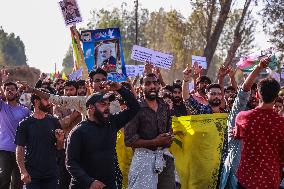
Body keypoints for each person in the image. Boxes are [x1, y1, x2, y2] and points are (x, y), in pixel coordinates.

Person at [65, 81, 140, 189]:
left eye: (108, 104)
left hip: (108, 185)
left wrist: (120, 88)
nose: (107, 107)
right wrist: (89, 182)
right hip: (84, 186)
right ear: (91, 108)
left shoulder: (112, 123)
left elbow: (135, 107)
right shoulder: (78, 131)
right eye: (103, 104)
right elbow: (71, 163)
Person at [219, 58, 270, 189]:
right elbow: (244, 90)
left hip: (255, 177)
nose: (253, 95)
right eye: (251, 92)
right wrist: (258, 68)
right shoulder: (238, 112)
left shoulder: (264, 117)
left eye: (256, 92)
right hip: (234, 175)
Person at [124, 73, 176, 189]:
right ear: (141, 87)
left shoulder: (164, 106)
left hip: (164, 158)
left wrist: (168, 138)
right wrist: (155, 142)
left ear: (158, 86)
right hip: (143, 160)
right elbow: (128, 140)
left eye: (155, 83)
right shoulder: (135, 108)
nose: (152, 86)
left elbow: (169, 130)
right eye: (147, 83)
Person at [234, 77, 284, 189]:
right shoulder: (281, 123)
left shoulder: (242, 117)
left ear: (257, 94)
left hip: (246, 179)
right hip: (271, 180)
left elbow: (237, 135)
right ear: (276, 98)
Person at [15, 91, 65, 189]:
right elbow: (19, 148)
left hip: (52, 173)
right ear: (36, 101)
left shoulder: (54, 121)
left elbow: (59, 148)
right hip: (32, 174)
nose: (49, 102)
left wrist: (60, 140)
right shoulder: (25, 124)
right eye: (46, 99)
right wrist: (23, 171)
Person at [0, 80, 30, 189]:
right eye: (7, 90)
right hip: (4, 150)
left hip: (20, 150)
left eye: (12, 89)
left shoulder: (25, 110)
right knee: (4, 178)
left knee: (17, 182)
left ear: (17, 92)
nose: (10, 91)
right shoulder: (2, 107)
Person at [53, 81, 82, 189]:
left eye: (71, 90)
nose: (69, 92)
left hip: (82, 146)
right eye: (66, 90)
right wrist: (75, 114)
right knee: (64, 177)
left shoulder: (83, 103)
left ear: (77, 90)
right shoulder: (58, 105)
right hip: (64, 146)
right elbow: (59, 123)